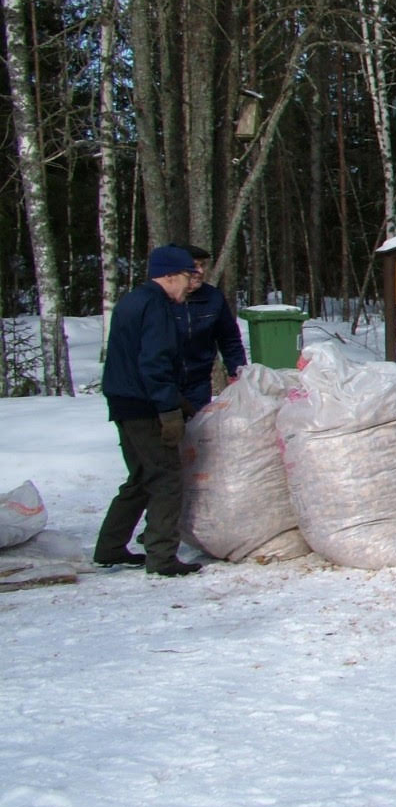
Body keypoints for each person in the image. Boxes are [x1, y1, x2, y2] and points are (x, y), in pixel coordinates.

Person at [94, 244, 204, 576]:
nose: (190, 283)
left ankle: (110, 546)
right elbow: (154, 362)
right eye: (188, 275)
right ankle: (162, 558)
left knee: (141, 476)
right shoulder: (156, 306)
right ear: (170, 276)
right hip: (145, 405)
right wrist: (169, 408)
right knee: (166, 477)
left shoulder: (132, 300)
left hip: (123, 401)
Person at [175, 244, 247, 411]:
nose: (200, 271)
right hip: (164, 383)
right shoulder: (159, 298)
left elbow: (229, 339)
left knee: (197, 431)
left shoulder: (213, 298)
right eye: (193, 266)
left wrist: (238, 372)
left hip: (198, 382)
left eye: (202, 265)